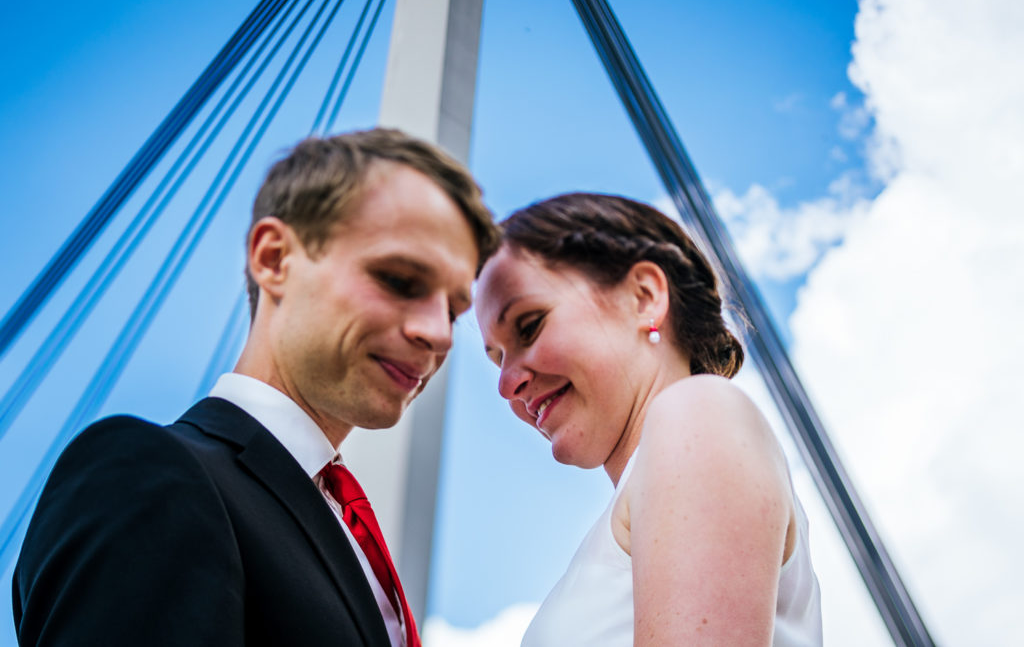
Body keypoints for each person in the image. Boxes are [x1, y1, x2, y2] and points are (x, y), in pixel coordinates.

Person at [12, 128, 499, 646]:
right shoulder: (144, 474)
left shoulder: (333, 519)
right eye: (399, 280)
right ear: (273, 258)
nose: (439, 334)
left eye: (453, 310)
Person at [475, 192, 822, 646]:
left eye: (529, 326)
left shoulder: (698, 412)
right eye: (497, 358)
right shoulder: (619, 521)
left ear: (644, 298)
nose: (506, 385)